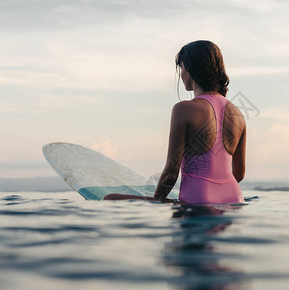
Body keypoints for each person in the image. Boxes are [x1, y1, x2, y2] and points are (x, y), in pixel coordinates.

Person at [104, 40, 246, 204]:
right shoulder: (237, 114)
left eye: (181, 68)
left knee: (110, 199)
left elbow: (171, 173)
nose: (181, 74)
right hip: (234, 198)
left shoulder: (184, 109)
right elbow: (239, 174)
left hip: (198, 200)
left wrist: (156, 202)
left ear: (191, 69)